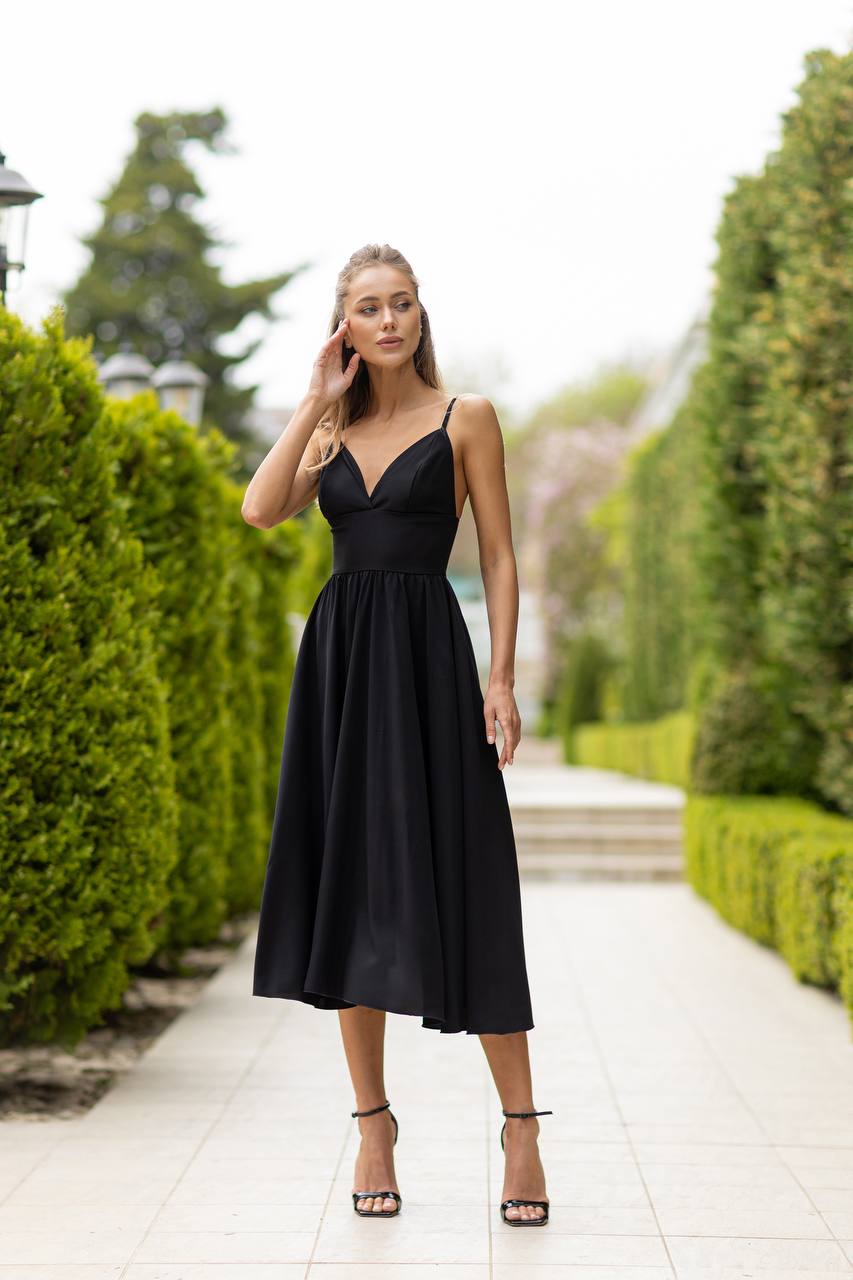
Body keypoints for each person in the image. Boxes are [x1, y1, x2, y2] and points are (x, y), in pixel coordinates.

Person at [242, 243, 552, 1226]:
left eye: (401, 303)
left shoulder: (467, 417)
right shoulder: (331, 431)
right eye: (368, 307)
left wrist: (499, 677)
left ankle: (521, 1127)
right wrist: (312, 399)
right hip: (340, 673)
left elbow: (497, 556)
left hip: (428, 665)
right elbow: (259, 509)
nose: (388, 321)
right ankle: (373, 1124)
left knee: (469, 877)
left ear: (421, 314)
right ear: (346, 325)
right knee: (350, 891)